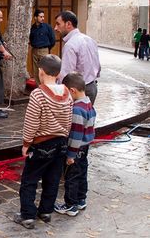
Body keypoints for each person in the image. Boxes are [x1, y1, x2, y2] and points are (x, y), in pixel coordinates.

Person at [14, 54, 73, 229]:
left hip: (41, 144)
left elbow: (31, 122)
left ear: (41, 72)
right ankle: (46, 211)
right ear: (58, 73)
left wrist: (26, 143)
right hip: (61, 143)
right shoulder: (67, 93)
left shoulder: (38, 95)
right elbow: (68, 120)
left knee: (30, 180)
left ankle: (27, 215)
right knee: (53, 179)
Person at [54, 72, 96, 217]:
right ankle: (81, 199)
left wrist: (70, 155)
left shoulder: (77, 110)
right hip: (85, 147)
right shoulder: (88, 104)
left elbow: (76, 135)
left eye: (67, 93)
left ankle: (70, 205)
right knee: (81, 172)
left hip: (76, 149)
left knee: (71, 176)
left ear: (73, 90)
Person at [55, 11, 101, 105]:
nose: (55, 28)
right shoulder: (90, 40)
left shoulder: (70, 45)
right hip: (92, 87)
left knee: (75, 119)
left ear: (68, 24)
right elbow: (98, 66)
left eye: (58, 24)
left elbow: (66, 74)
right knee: (87, 118)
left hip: (76, 91)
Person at [29, 9, 56, 85]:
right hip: (34, 51)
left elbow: (53, 40)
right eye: (40, 17)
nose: (43, 18)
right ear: (35, 17)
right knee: (36, 71)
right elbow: (31, 39)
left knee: (44, 71)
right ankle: (39, 88)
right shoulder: (32, 28)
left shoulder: (47, 27)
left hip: (44, 50)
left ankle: (46, 88)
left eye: (43, 16)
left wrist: (47, 49)